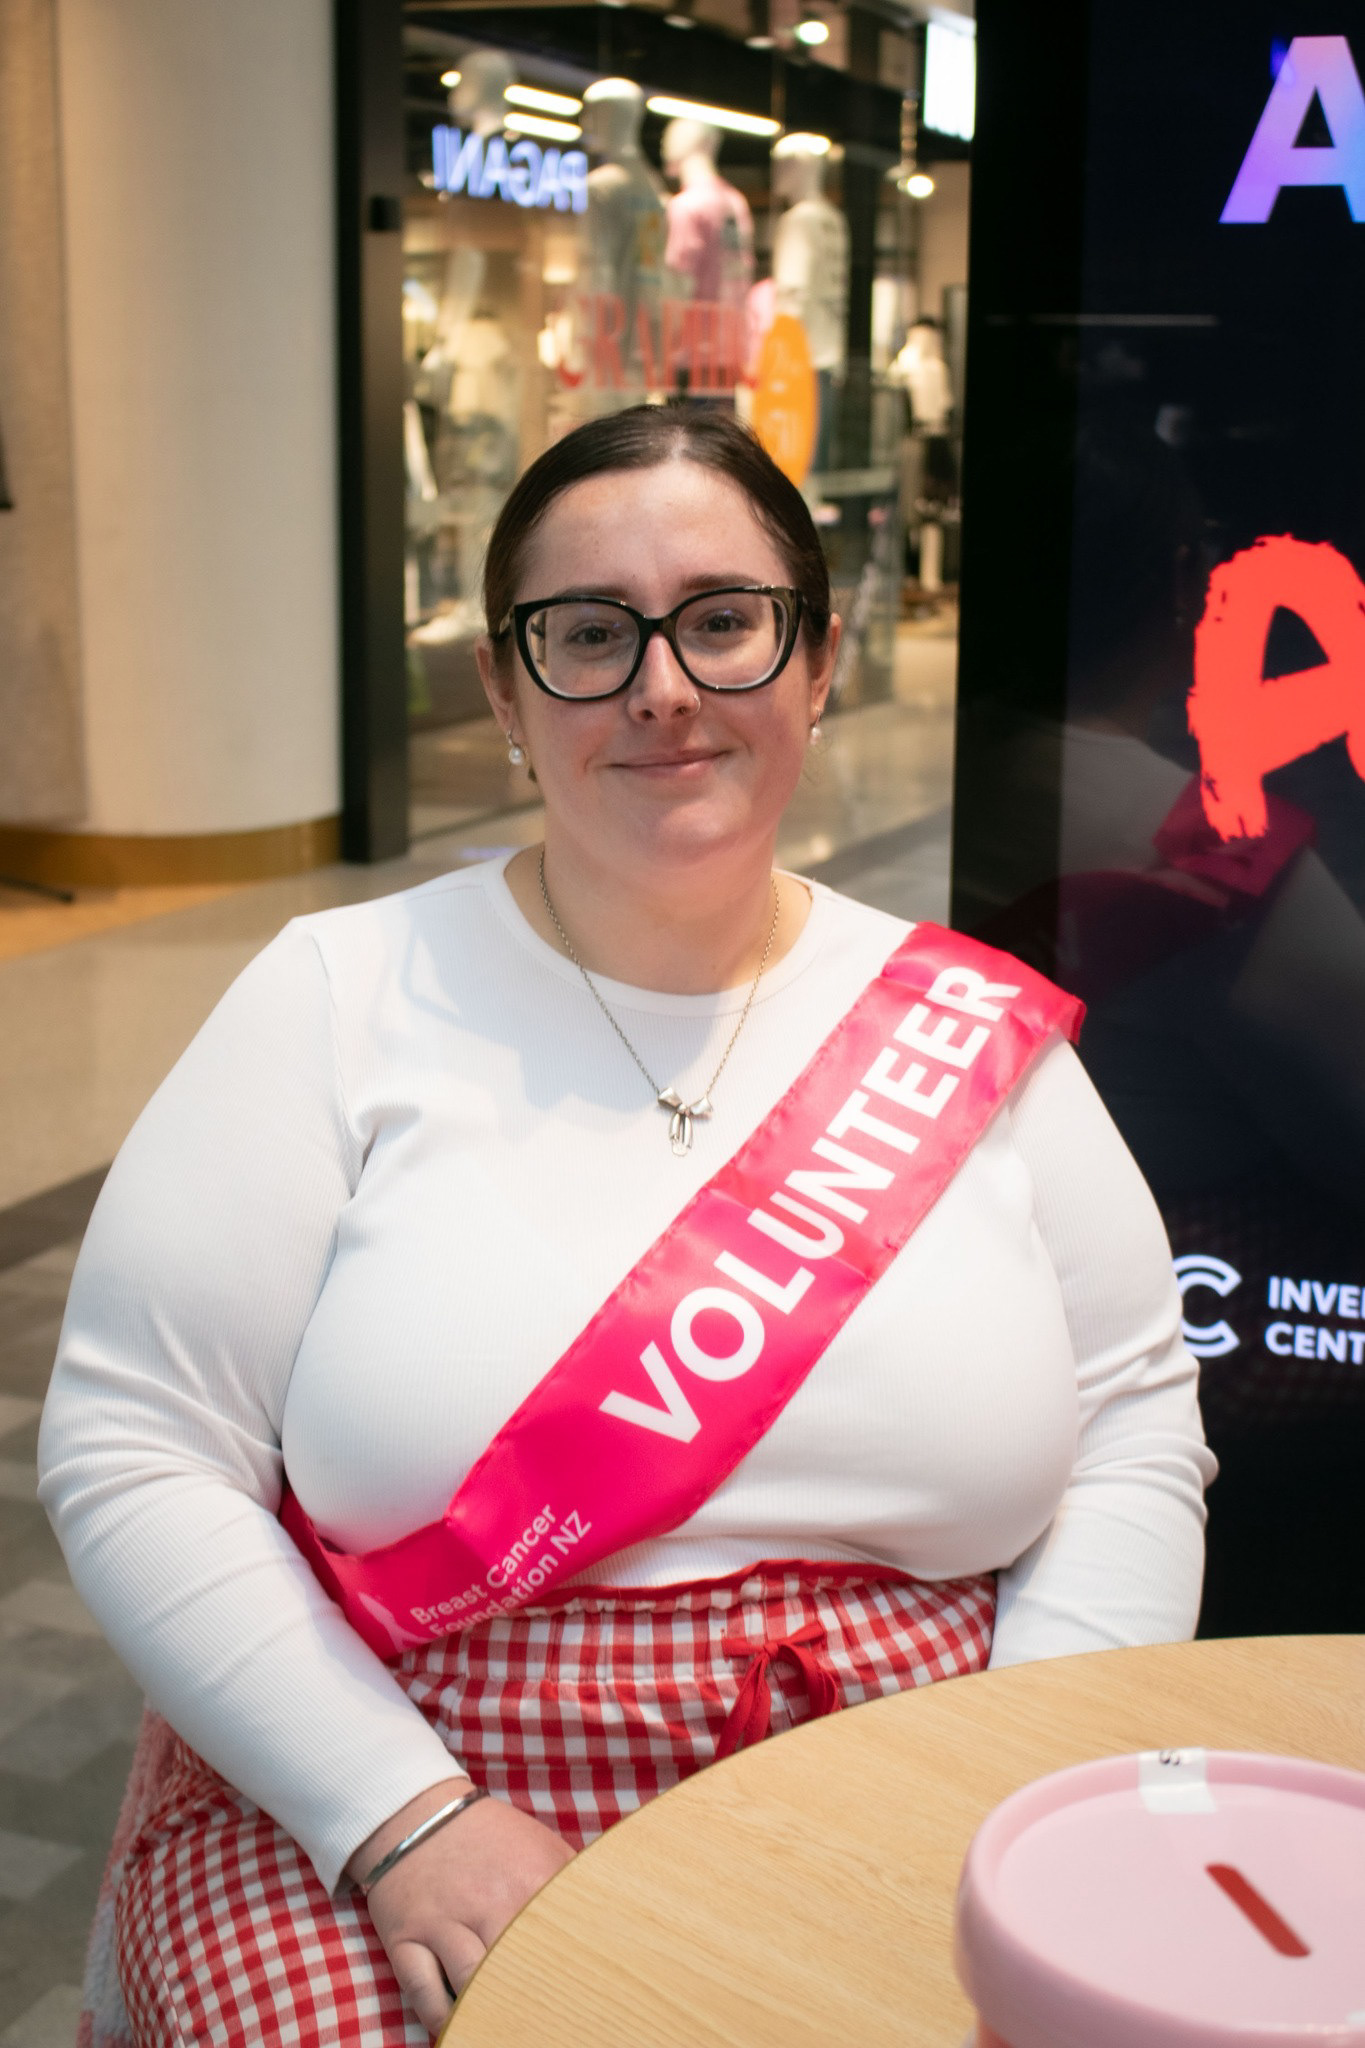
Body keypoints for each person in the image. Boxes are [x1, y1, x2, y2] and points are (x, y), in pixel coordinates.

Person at [39, 405, 1214, 2047]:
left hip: (927, 1771)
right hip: (389, 1776)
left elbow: (1136, 1434)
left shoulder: (958, 1027)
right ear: (506, 695)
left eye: (724, 621)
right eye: (588, 635)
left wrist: (1011, 1775)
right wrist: (402, 1816)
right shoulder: (336, 997)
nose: (663, 686)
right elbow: (132, 1446)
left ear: (817, 659)